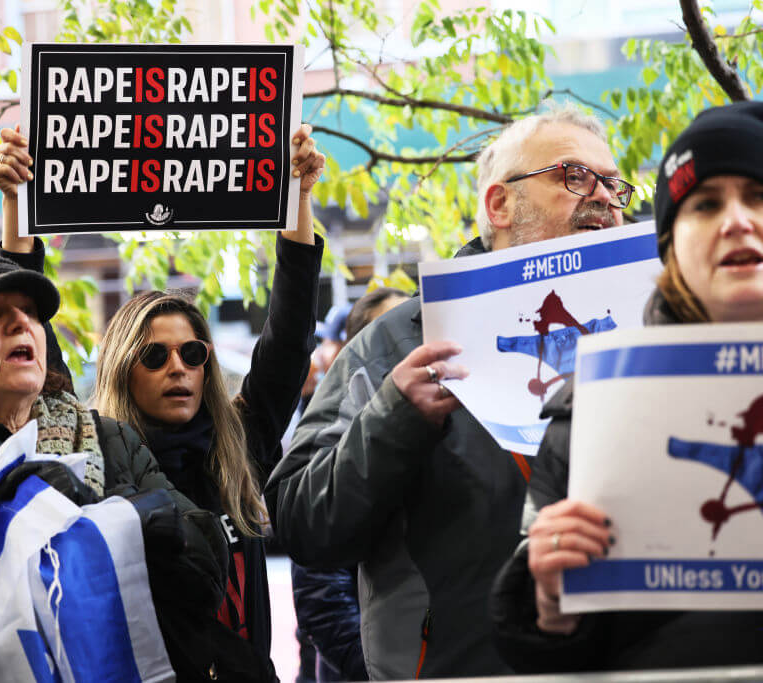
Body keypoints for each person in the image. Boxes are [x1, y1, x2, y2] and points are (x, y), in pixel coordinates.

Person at [489, 101, 763, 673]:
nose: (736, 221)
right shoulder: (591, 415)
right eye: (706, 204)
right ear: (670, 249)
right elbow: (550, 659)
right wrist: (547, 602)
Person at [265, 104, 634, 679]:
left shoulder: (649, 331)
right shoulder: (398, 344)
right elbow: (300, 521)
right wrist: (394, 418)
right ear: (499, 203)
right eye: (574, 176)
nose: (605, 198)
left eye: (614, 185)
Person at [0, 123, 326, 681]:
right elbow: (41, 361)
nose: (178, 368)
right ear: (123, 369)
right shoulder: (91, 452)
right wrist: (17, 209)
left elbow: (288, 341)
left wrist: (298, 199)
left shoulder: (238, 445)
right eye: (155, 357)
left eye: (193, 353)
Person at [0, 254, 229, 674]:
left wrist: (127, 516)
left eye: (30, 312)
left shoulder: (110, 438)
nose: (20, 323)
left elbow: (205, 571)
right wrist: (66, 520)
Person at [290, 287, 409, 683]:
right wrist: (379, 671)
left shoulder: (441, 425)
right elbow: (323, 599)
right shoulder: (333, 444)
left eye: (408, 329)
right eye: (385, 335)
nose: (403, 346)